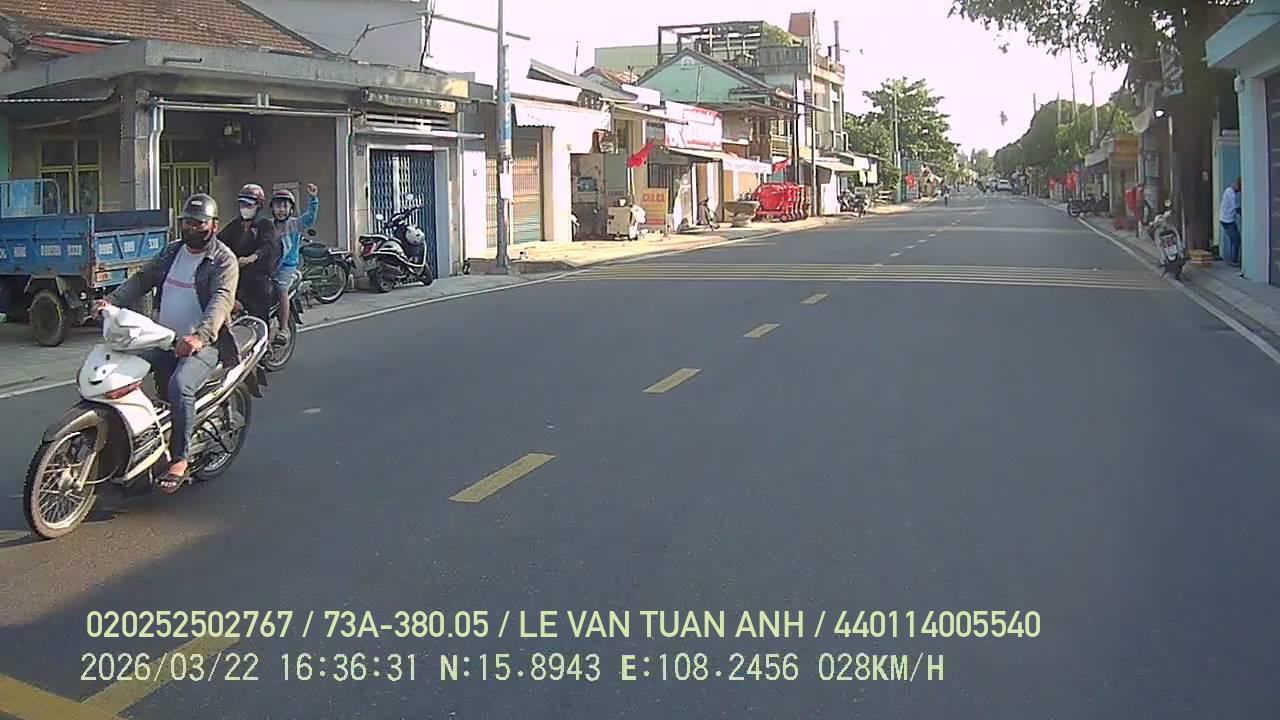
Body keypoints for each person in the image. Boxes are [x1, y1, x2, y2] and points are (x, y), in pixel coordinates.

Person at [95, 194, 239, 493]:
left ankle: (179, 458)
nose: (192, 228)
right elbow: (142, 279)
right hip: (163, 338)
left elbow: (221, 301)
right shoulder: (172, 251)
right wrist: (111, 301)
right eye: (187, 222)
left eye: (199, 223)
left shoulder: (223, 260)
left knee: (179, 386)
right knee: (119, 372)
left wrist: (200, 337)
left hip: (204, 344)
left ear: (214, 225)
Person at [217, 184, 278, 323]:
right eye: (242, 204)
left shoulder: (266, 225)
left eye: (248, 204)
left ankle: (263, 334)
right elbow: (220, 241)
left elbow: (268, 246)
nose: (244, 207)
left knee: (259, 310)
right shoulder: (235, 225)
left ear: (259, 205)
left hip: (258, 275)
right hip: (236, 274)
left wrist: (252, 257)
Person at [269, 184, 319, 343]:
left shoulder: (295, 224)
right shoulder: (268, 226)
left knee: (281, 289)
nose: (281, 210)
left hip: (287, 267)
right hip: (270, 266)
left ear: (291, 209)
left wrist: (313, 199)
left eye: (285, 206)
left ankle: (284, 328)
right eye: (278, 206)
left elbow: (310, 218)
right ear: (272, 208)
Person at [1220, 177, 1242, 267]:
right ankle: (1233, 260)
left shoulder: (1228, 190)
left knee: (1234, 239)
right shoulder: (1232, 195)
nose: (1240, 192)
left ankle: (1232, 259)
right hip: (1227, 220)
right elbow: (1236, 208)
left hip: (1225, 218)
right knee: (1236, 239)